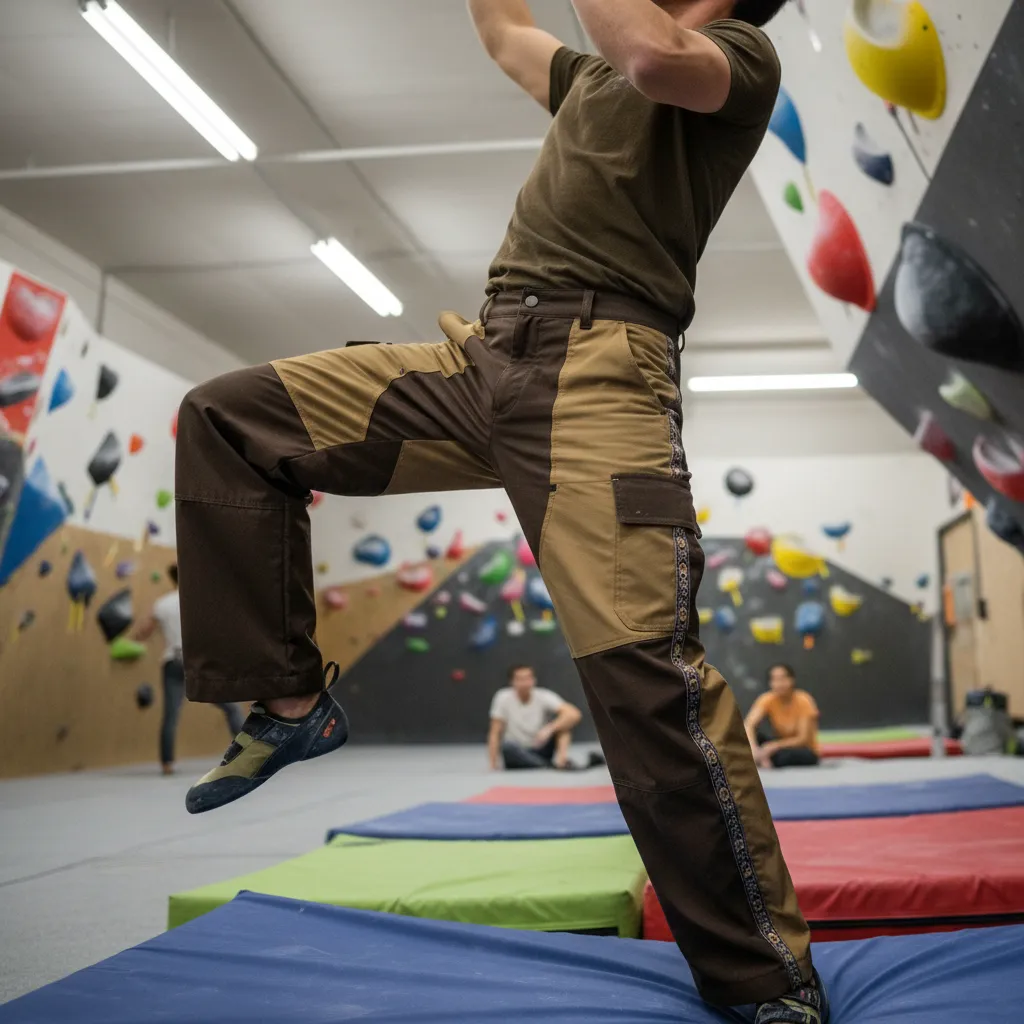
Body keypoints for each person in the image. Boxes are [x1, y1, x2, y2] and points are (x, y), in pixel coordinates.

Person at [174, 0, 827, 1019]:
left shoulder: (734, 58)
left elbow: (653, 52)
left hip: (601, 373)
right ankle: (291, 704)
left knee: (644, 678)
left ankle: (766, 985)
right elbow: (505, 35)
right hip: (481, 359)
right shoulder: (592, 78)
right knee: (227, 420)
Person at [132, 564, 243, 775]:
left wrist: (136, 635)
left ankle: (167, 764)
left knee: (171, 715)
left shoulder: (162, 603)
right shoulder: (202, 600)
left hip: (173, 660)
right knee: (231, 708)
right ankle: (245, 753)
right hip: (199, 661)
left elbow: (143, 632)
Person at [488, 664, 602, 770]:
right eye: (520, 679)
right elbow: (495, 731)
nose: (525, 683)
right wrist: (493, 763)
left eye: (528, 678)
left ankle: (558, 761)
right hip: (517, 751)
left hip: (540, 747)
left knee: (563, 728)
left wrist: (550, 728)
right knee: (508, 747)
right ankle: (547, 764)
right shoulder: (502, 697)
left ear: (534, 680)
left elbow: (573, 714)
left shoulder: (543, 695)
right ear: (512, 681)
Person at [744, 663, 821, 769]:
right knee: (746, 739)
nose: (779, 684)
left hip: (802, 748)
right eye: (775, 680)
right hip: (778, 744)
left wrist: (774, 746)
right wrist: (753, 749)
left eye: (783, 679)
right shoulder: (767, 699)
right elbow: (748, 725)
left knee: (784, 757)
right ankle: (760, 757)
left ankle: (767, 759)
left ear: (792, 680)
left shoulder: (804, 700)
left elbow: (803, 739)